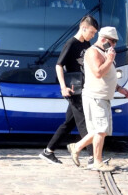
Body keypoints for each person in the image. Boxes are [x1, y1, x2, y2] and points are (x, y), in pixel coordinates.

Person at [66, 26, 127, 172]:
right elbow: (98, 72)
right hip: (95, 96)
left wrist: (119, 88)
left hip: (103, 96)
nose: (114, 45)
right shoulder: (93, 52)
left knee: (100, 130)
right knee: (101, 129)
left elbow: (108, 74)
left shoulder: (105, 52)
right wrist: (110, 58)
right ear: (104, 39)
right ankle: (97, 162)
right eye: (113, 42)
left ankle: (77, 147)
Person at [39, 15, 97, 165]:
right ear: (83, 28)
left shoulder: (87, 43)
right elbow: (59, 65)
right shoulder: (71, 43)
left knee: (69, 123)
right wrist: (63, 87)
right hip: (73, 89)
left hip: (83, 87)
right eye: (91, 32)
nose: (93, 35)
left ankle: (48, 151)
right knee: (84, 122)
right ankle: (92, 157)